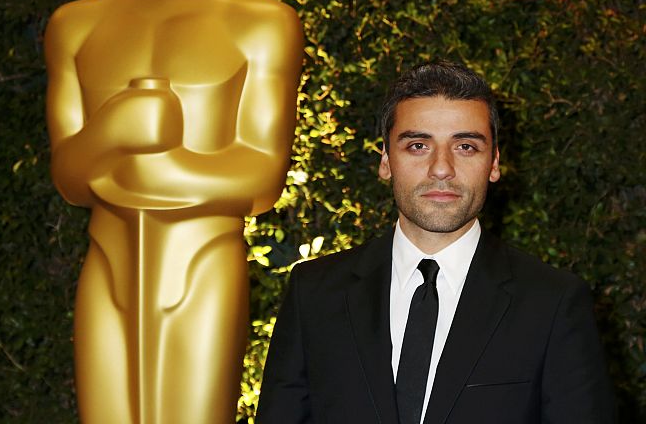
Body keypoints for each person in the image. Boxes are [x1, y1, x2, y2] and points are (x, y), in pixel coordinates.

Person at [44, 0, 302, 424]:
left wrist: (156, 167)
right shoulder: (77, 24)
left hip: (203, 263)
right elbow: (69, 177)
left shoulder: (261, 23)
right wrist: (113, 131)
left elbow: (262, 179)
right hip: (107, 262)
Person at [257, 61, 615, 424]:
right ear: (386, 160)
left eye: (465, 146)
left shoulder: (552, 303)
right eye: (418, 145)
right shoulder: (314, 293)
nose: (441, 168)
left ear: (494, 163)